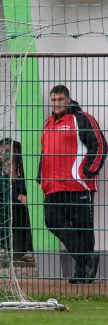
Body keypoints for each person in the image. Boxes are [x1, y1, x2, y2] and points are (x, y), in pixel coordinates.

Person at [38, 85, 107, 284]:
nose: (57, 103)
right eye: (53, 100)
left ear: (68, 99)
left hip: (78, 185)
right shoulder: (48, 122)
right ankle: (87, 260)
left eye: (60, 99)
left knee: (83, 228)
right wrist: (40, 176)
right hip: (52, 186)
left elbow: (100, 144)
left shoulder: (82, 118)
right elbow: (45, 152)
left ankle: (81, 274)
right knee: (52, 221)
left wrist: (89, 171)